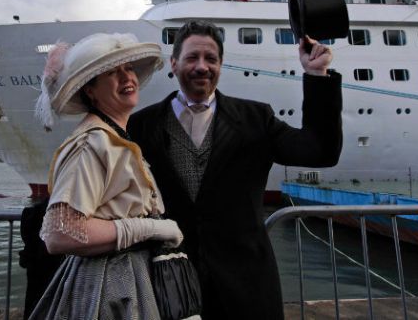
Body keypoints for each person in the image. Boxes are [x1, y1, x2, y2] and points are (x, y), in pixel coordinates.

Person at [128, 20, 343, 320]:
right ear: (174, 64)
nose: (202, 66)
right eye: (192, 58)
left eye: (211, 59)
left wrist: (316, 75)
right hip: (171, 285)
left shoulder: (256, 118)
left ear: (220, 65)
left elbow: (321, 151)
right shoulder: (141, 126)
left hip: (246, 286)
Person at [28, 32, 186, 320]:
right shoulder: (93, 143)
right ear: (91, 90)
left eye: (129, 69)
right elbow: (59, 233)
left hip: (128, 279)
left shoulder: (113, 137)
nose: (127, 78)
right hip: (108, 287)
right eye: (112, 72)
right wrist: (149, 229)